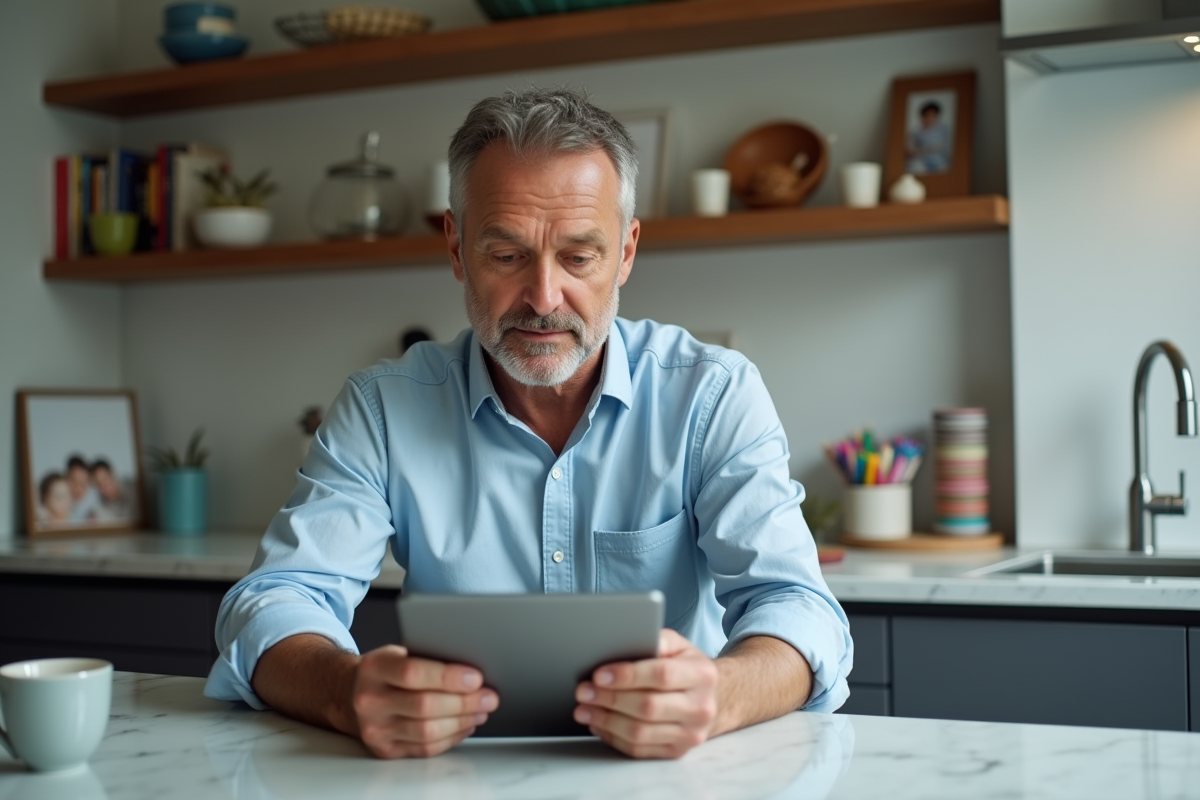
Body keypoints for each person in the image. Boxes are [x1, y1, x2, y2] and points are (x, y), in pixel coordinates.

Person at [205, 87, 853, 760]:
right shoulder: (384, 408)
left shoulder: (712, 395)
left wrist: (719, 695)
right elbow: (274, 600)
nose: (544, 299)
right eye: (507, 256)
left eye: (579, 256)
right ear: (456, 250)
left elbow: (800, 610)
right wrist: (345, 692)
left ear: (626, 253)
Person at [906, 100, 952, 175]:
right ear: (922, 116)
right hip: (922, 163)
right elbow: (910, 150)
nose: (930, 119)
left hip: (939, 164)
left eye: (933, 116)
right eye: (927, 116)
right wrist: (928, 149)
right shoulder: (915, 132)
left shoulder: (944, 130)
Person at [65, 455, 100, 523]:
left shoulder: (96, 499)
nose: (78, 488)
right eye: (74, 482)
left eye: (83, 484)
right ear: (66, 479)